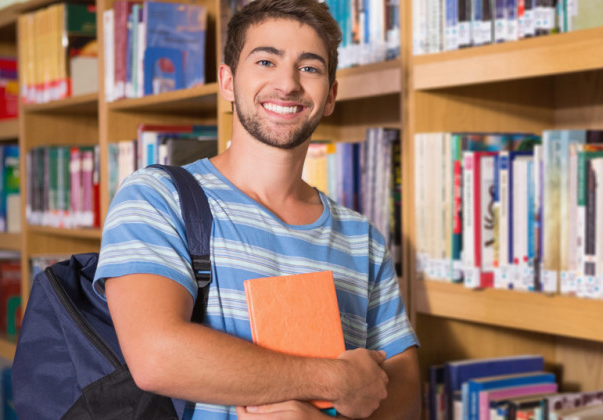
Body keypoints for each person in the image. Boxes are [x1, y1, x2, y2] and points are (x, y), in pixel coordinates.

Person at [92, 0, 421, 418]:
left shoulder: (362, 237)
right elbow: (157, 355)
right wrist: (335, 381)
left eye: (310, 68)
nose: (287, 84)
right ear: (228, 82)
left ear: (331, 95)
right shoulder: (158, 197)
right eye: (266, 61)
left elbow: (407, 391)